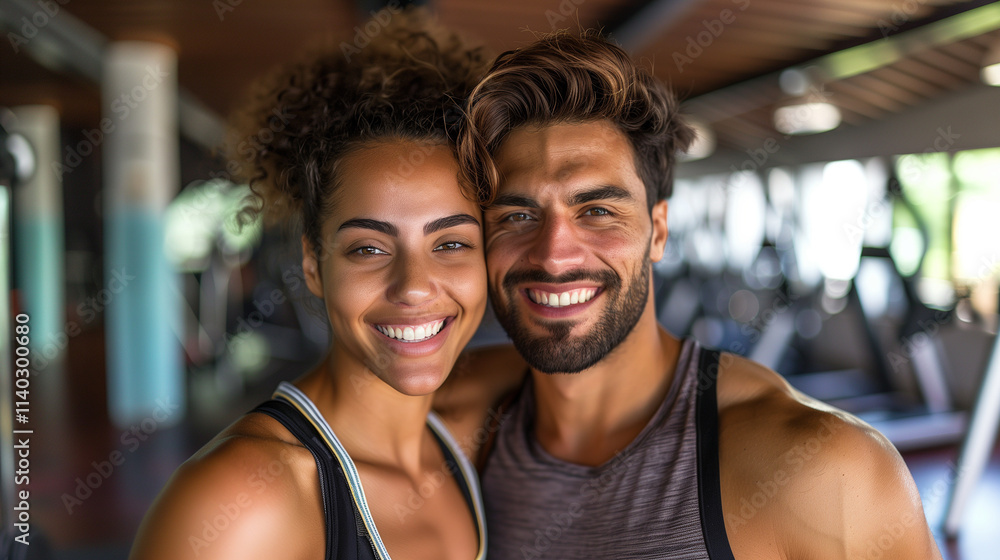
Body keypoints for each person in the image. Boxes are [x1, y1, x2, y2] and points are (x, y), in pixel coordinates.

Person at [446, 30, 944, 559]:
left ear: (658, 231)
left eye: (596, 211)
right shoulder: (459, 426)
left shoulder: (826, 473)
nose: (552, 255)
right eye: (518, 216)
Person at [129, 10, 493, 560]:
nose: (415, 287)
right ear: (313, 265)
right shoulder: (244, 497)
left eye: (451, 244)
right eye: (369, 248)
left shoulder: (468, 439)